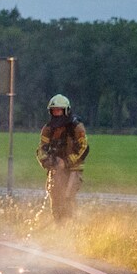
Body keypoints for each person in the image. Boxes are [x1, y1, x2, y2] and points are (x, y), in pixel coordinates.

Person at [36, 94, 89, 222]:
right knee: (55, 198)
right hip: (55, 169)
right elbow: (41, 148)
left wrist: (66, 162)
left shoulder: (76, 127)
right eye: (54, 110)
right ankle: (58, 224)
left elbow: (84, 148)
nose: (56, 113)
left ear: (66, 111)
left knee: (67, 198)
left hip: (73, 168)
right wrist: (47, 161)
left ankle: (71, 225)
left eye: (59, 110)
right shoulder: (48, 129)